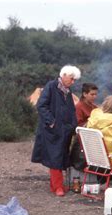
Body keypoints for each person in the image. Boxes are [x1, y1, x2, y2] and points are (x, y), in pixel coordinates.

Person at [31, 65, 81, 196]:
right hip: (52, 130)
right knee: (55, 157)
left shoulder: (68, 91)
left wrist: (73, 126)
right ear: (64, 75)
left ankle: (56, 186)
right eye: (72, 78)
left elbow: (71, 110)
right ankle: (58, 187)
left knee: (60, 156)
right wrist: (52, 122)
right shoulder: (51, 86)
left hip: (65, 130)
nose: (73, 82)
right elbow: (41, 105)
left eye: (74, 79)